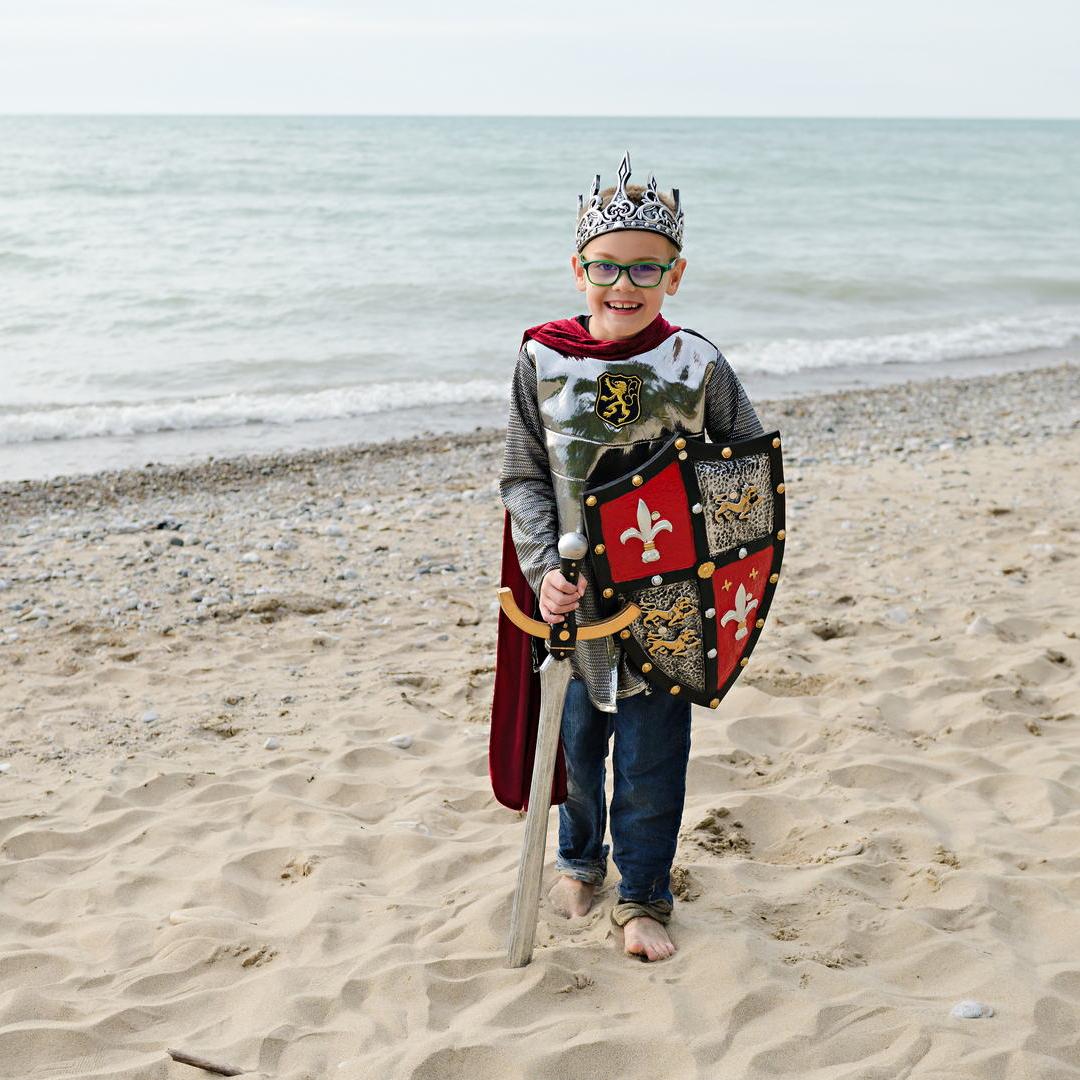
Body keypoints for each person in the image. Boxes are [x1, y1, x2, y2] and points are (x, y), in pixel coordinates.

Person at [491, 151, 764, 962]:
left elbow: (746, 469)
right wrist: (544, 568)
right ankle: (580, 861)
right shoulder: (542, 360)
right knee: (576, 744)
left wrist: (706, 563)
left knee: (651, 757)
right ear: (579, 269)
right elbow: (524, 476)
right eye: (607, 266)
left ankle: (643, 895)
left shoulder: (696, 365)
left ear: (674, 275)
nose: (624, 283)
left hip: (668, 601)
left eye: (646, 267)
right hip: (575, 599)